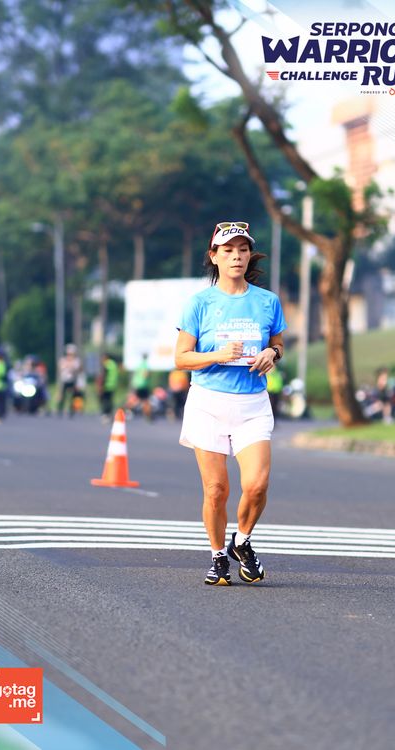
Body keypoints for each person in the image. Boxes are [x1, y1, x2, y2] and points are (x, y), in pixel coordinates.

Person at [175, 220, 286, 586]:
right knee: (216, 490)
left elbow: (279, 343)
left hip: (252, 403)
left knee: (256, 485)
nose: (236, 256)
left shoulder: (267, 301)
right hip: (208, 402)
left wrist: (272, 353)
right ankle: (218, 555)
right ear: (214, 256)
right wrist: (217, 355)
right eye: (228, 250)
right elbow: (181, 358)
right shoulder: (200, 303)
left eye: (242, 249)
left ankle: (242, 540)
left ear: (249, 255)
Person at [56, 344, 82, 417]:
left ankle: (72, 410)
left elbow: (78, 369)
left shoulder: (76, 361)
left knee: (74, 396)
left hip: (73, 380)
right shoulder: (63, 360)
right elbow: (60, 368)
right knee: (62, 395)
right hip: (64, 380)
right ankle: (60, 410)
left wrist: (70, 366)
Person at [97, 353, 119, 422]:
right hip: (113, 385)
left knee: (105, 400)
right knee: (110, 400)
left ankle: (105, 414)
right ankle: (110, 414)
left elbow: (104, 376)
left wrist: (101, 386)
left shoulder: (106, 365)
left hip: (106, 385)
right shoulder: (114, 364)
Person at [130, 353, 152, 419]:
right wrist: (149, 375)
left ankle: (128, 410)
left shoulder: (139, 365)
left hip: (137, 384)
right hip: (143, 385)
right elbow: (145, 375)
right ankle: (147, 414)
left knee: (136, 399)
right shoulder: (145, 365)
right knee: (146, 401)